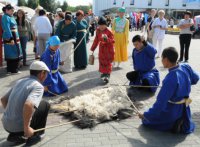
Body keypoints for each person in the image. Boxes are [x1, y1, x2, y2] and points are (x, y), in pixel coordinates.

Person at [139, 47, 199, 134]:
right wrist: (185, 84)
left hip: (172, 110)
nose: (161, 61)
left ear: (166, 59)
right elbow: (196, 78)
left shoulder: (171, 78)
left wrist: (146, 115)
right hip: (185, 107)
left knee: (147, 121)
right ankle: (182, 120)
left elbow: (160, 103)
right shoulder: (185, 66)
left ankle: (175, 123)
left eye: (162, 58)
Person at [1, 61, 50, 145]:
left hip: (6, 125)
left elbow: (3, 99)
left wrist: (12, 114)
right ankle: (36, 135)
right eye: (46, 74)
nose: (46, 77)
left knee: (37, 104)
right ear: (42, 73)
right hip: (20, 128)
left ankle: (15, 134)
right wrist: (26, 128)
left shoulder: (20, 81)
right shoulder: (38, 86)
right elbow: (28, 105)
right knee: (45, 104)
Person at [90, 17, 115, 83]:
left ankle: (107, 75)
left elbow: (113, 41)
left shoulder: (109, 31)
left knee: (108, 62)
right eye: (100, 25)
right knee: (102, 61)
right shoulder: (98, 30)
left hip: (109, 48)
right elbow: (96, 40)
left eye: (103, 25)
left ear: (106, 25)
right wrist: (93, 48)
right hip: (101, 49)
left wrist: (107, 40)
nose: (101, 26)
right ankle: (104, 73)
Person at [1, 4, 22, 74]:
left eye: (13, 11)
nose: (13, 12)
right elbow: (7, 28)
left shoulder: (10, 16)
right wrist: (11, 38)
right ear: (7, 10)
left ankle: (11, 69)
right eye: (11, 10)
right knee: (12, 52)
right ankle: (13, 70)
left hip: (14, 35)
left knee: (13, 51)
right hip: (10, 36)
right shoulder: (5, 17)